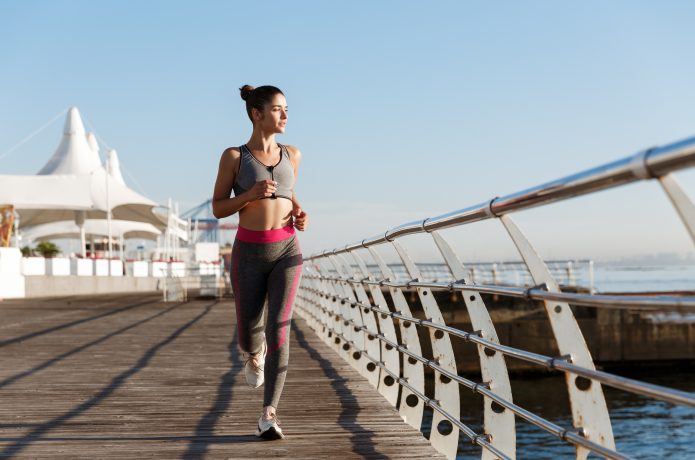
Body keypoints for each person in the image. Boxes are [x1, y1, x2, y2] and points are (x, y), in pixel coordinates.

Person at [212, 84, 308, 440]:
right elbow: (218, 207)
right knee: (250, 330)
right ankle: (253, 354)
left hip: (287, 251)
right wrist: (249, 195)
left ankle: (269, 413)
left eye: (286, 109)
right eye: (278, 109)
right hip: (248, 253)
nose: (285, 115)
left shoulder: (292, 154)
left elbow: (290, 192)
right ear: (257, 114)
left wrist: (299, 212)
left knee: (279, 329)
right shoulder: (234, 158)